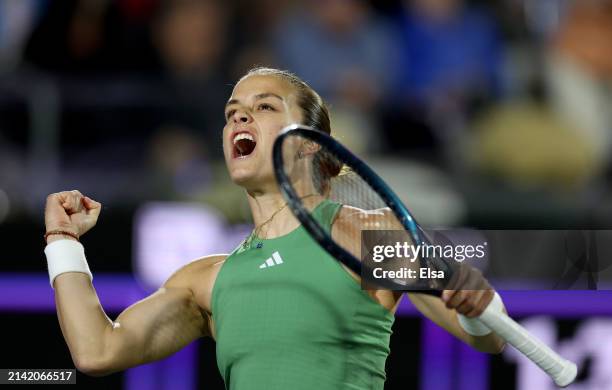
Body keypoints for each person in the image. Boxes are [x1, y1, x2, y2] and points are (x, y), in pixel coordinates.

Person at [43, 67, 505, 389]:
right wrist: (63, 242)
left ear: (309, 144)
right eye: (232, 112)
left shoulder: (364, 236)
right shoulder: (206, 281)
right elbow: (96, 351)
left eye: (264, 107)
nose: (239, 118)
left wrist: (474, 305)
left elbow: (487, 335)